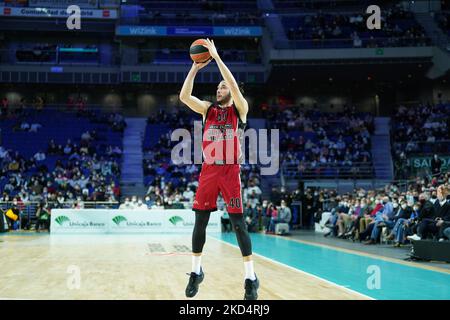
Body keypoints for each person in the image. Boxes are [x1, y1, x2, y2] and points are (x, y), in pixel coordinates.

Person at [179, 38, 258, 300]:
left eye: (222, 86)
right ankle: (195, 272)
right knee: (200, 221)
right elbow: (184, 96)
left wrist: (216, 57)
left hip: (230, 171)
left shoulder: (240, 109)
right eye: (218, 86)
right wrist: (196, 66)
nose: (219, 88)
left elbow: (233, 84)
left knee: (238, 224)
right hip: (209, 170)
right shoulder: (207, 110)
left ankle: (250, 278)